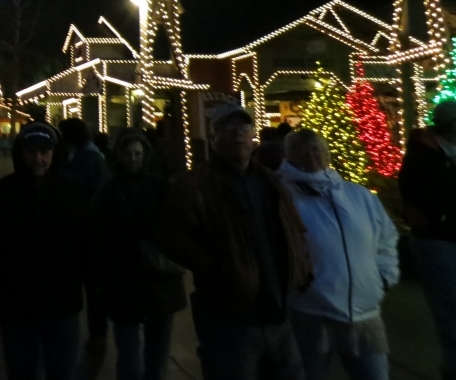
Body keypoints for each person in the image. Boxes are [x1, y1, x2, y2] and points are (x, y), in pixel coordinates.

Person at [157, 103, 310, 380]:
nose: (238, 134)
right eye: (229, 128)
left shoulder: (271, 182)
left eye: (244, 127)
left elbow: (294, 230)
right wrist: (219, 269)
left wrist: (301, 270)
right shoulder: (195, 186)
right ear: (214, 136)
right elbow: (172, 237)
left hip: (279, 315)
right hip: (230, 320)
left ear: (253, 135)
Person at [278, 129, 398, 380]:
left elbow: (386, 237)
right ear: (289, 156)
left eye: (317, 148)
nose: (312, 155)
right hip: (311, 313)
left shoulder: (359, 195)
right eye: (303, 150)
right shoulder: (283, 197)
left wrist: (384, 276)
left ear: (327, 153)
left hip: (366, 312)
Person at [0, 122, 87, 380]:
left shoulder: (72, 193)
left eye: (44, 151)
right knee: (21, 371)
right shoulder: (2, 194)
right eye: (32, 151)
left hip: (61, 306)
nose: (38, 158)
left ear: (54, 153)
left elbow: (88, 245)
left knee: (62, 371)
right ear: (21, 153)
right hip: (17, 308)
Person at [92, 128, 186, 380]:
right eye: (127, 153)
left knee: (157, 358)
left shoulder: (160, 187)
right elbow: (98, 238)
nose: (132, 158)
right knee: (130, 359)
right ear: (118, 155)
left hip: (159, 284)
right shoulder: (108, 192)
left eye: (137, 153)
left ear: (145, 154)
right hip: (125, 283)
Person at [399, 99, 456, 380]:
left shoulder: (445, 152)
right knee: (449, 304)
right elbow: (417, 195)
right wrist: (441, 216)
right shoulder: (422, 155)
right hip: (436, 239)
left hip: (446, 233)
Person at [58, 117, 110, 353]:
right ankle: (91, 333)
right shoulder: (80, 155)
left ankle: (97, 334)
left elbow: (99, 194)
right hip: (78, 230)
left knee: (93, 287)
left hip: (90, 232)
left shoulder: (90, 158)